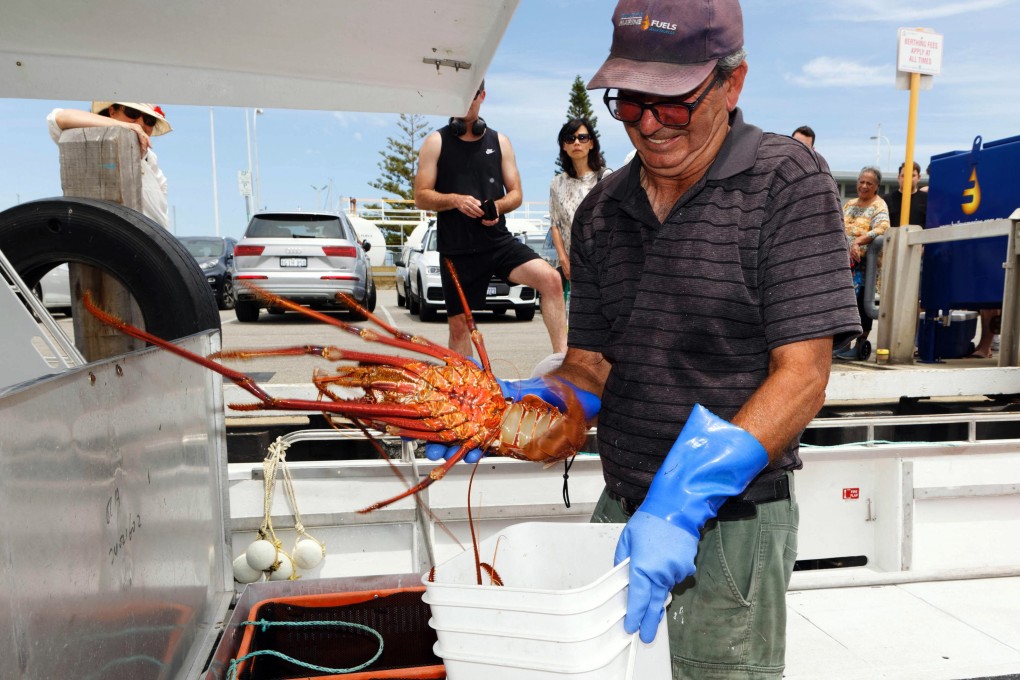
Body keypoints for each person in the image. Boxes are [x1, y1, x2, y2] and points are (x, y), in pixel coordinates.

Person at [426, 1, 860, 677]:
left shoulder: (787, 181)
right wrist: (511, 413)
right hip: (621, 505)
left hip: (732, 524)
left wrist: (685, 498)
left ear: (732, 83)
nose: (648, 123)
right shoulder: (603, 209)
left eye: (673, 103)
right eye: (628, 101)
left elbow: (802, 374)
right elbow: (592, 365)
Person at [414, 81, 567, 358]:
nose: (466, 102)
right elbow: (421, 196)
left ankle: (562, 362)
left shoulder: (500, 142)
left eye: (472, 95)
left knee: (552, 280)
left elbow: (517, 194)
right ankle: (465, 394)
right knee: (460, 327)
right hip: (457, 251)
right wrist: (455, 200)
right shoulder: (435, 142)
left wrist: (496, 207)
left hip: (497, 243)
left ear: (482, 96)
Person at [46, 102, 172, 229]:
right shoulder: (91, 139)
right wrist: (126, 126)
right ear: (112, 112)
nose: (140, 124)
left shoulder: (151, 158)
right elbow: (59, 117)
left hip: (154, 241)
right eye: (132, 113)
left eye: (149, 120)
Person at [548, 118, 610, 306]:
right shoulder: (556, 183)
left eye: (583, 137)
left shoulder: (606, 178)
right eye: (570, 138)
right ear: (563, 146)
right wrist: (563, 260)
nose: (576, 142)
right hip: (573, 267)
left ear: (591, 143)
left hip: (603, 263)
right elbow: (555, 224)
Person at [837, 166, 891, 360]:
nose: (864, 186)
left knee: (861, 306)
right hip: (845, 263)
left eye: (869, 183)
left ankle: (860, 345)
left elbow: (883, 227)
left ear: (876, 186)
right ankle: (843, 343)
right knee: (843, 304)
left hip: (865, 265)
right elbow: (837, 225)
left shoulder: (879, 205)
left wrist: (858, 241)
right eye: (861, 181)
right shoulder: (850, 203)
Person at [882, 160, 927, 228]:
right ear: (898, 178)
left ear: (919, 178)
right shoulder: (886, 200)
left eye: (912, 175)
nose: (908, 179)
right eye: (904, 175)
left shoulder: (927, 200)